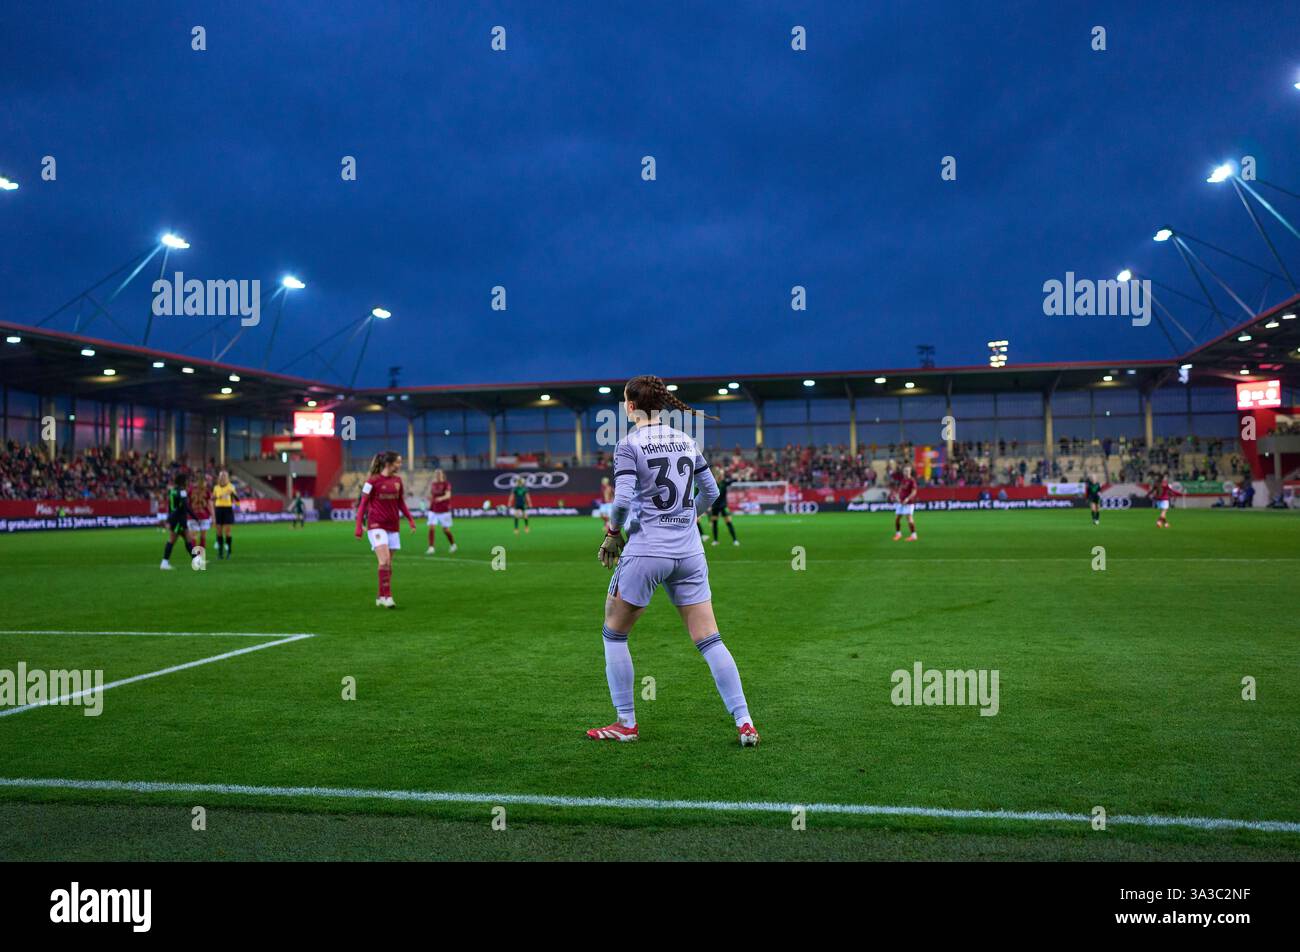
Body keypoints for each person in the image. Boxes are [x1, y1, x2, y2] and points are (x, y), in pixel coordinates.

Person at [589, 374, 759, 747]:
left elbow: (620, 502)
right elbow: (710, 492)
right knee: (710, 640)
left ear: (631, 406)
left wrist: (614, 535)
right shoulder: (685, 439)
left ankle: (626, 723)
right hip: (689, 553)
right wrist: (686, 518)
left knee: (614, 633)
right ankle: (744, 721)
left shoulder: (628, 445)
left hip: (648, 550)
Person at [354, 451, 416, 608]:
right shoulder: (372, 481)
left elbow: (400, 502)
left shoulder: (398, 481)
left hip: (393, 527)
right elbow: (362, 505)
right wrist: (358, 526)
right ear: (388, 464)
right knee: (384, 560)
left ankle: (380, 596)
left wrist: (410, 519)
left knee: (388, 564)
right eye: (398, 462)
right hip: (376, 526)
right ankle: (388, 597)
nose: (400, 465)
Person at [160, 472, 196, 570]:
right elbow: (184, 506)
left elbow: (172, 506)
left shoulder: (172, 491)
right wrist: (194, 516)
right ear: (183, 481)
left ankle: (197, 561)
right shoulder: (182, 491)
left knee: (188, 539)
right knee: (173, 540)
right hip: (179, 519)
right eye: (187, 480)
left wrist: (170, 518)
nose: (188, 482)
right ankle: (164, 563)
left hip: (174, 519)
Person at [425, 467, 457, 554]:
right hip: (433, 509)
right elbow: (431, 495)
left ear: (442, 475)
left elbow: (448, 495)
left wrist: (440, 498)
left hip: (444, 510)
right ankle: (431, 547)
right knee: (431, 527)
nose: (437, 475)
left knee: (445, 530)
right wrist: (429, 498)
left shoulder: (446, 484)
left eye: (439, 474)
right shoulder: (433, 484)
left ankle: (453, 544)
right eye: (436, 474)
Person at [707, 465, 739, 546]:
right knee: (715, 523)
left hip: (723, 506)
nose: (721, 475)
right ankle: (715, 540)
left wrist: (737, 477)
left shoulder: (724, 482)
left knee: (729, 522)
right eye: (720, 474)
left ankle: (735, 540)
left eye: (721, 474)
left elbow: (733, 480)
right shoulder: (713, 483)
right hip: (715, 506)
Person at [212, 469, 237, 559]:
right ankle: (220, 552)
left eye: (224, 476)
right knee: (218, 532)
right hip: (218, 509)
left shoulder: (231, 487)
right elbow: (212, 498)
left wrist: (232, 493)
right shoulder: (216, 487)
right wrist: (217, 496)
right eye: (221, 476)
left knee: (227, 531)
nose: (223, 477)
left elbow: (237, 500)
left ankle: (229, 551)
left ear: (227, 477)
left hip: (227, 509)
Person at [893, 464, 918, 541]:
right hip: (900, 502)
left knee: (909, 519)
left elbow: (914, 492)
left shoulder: (912, 480)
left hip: (908, 503)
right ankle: (898, 534)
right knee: (897, 518)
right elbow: (901, 490)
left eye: (907, 471)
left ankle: (914, 535)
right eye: (905, 471)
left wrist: (907, 499)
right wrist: (897, 496)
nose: (906, 472)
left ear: (910, 472)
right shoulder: (903, 480)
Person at [187, 478, 212, 555]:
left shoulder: (190, 491)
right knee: (203, 536)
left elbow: (187, 503)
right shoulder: (206, 491)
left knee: (193, 537)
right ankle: (200, 556)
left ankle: (195, 557)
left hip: (193, 516)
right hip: (204, 515)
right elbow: (209, 504)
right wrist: (213, 516)